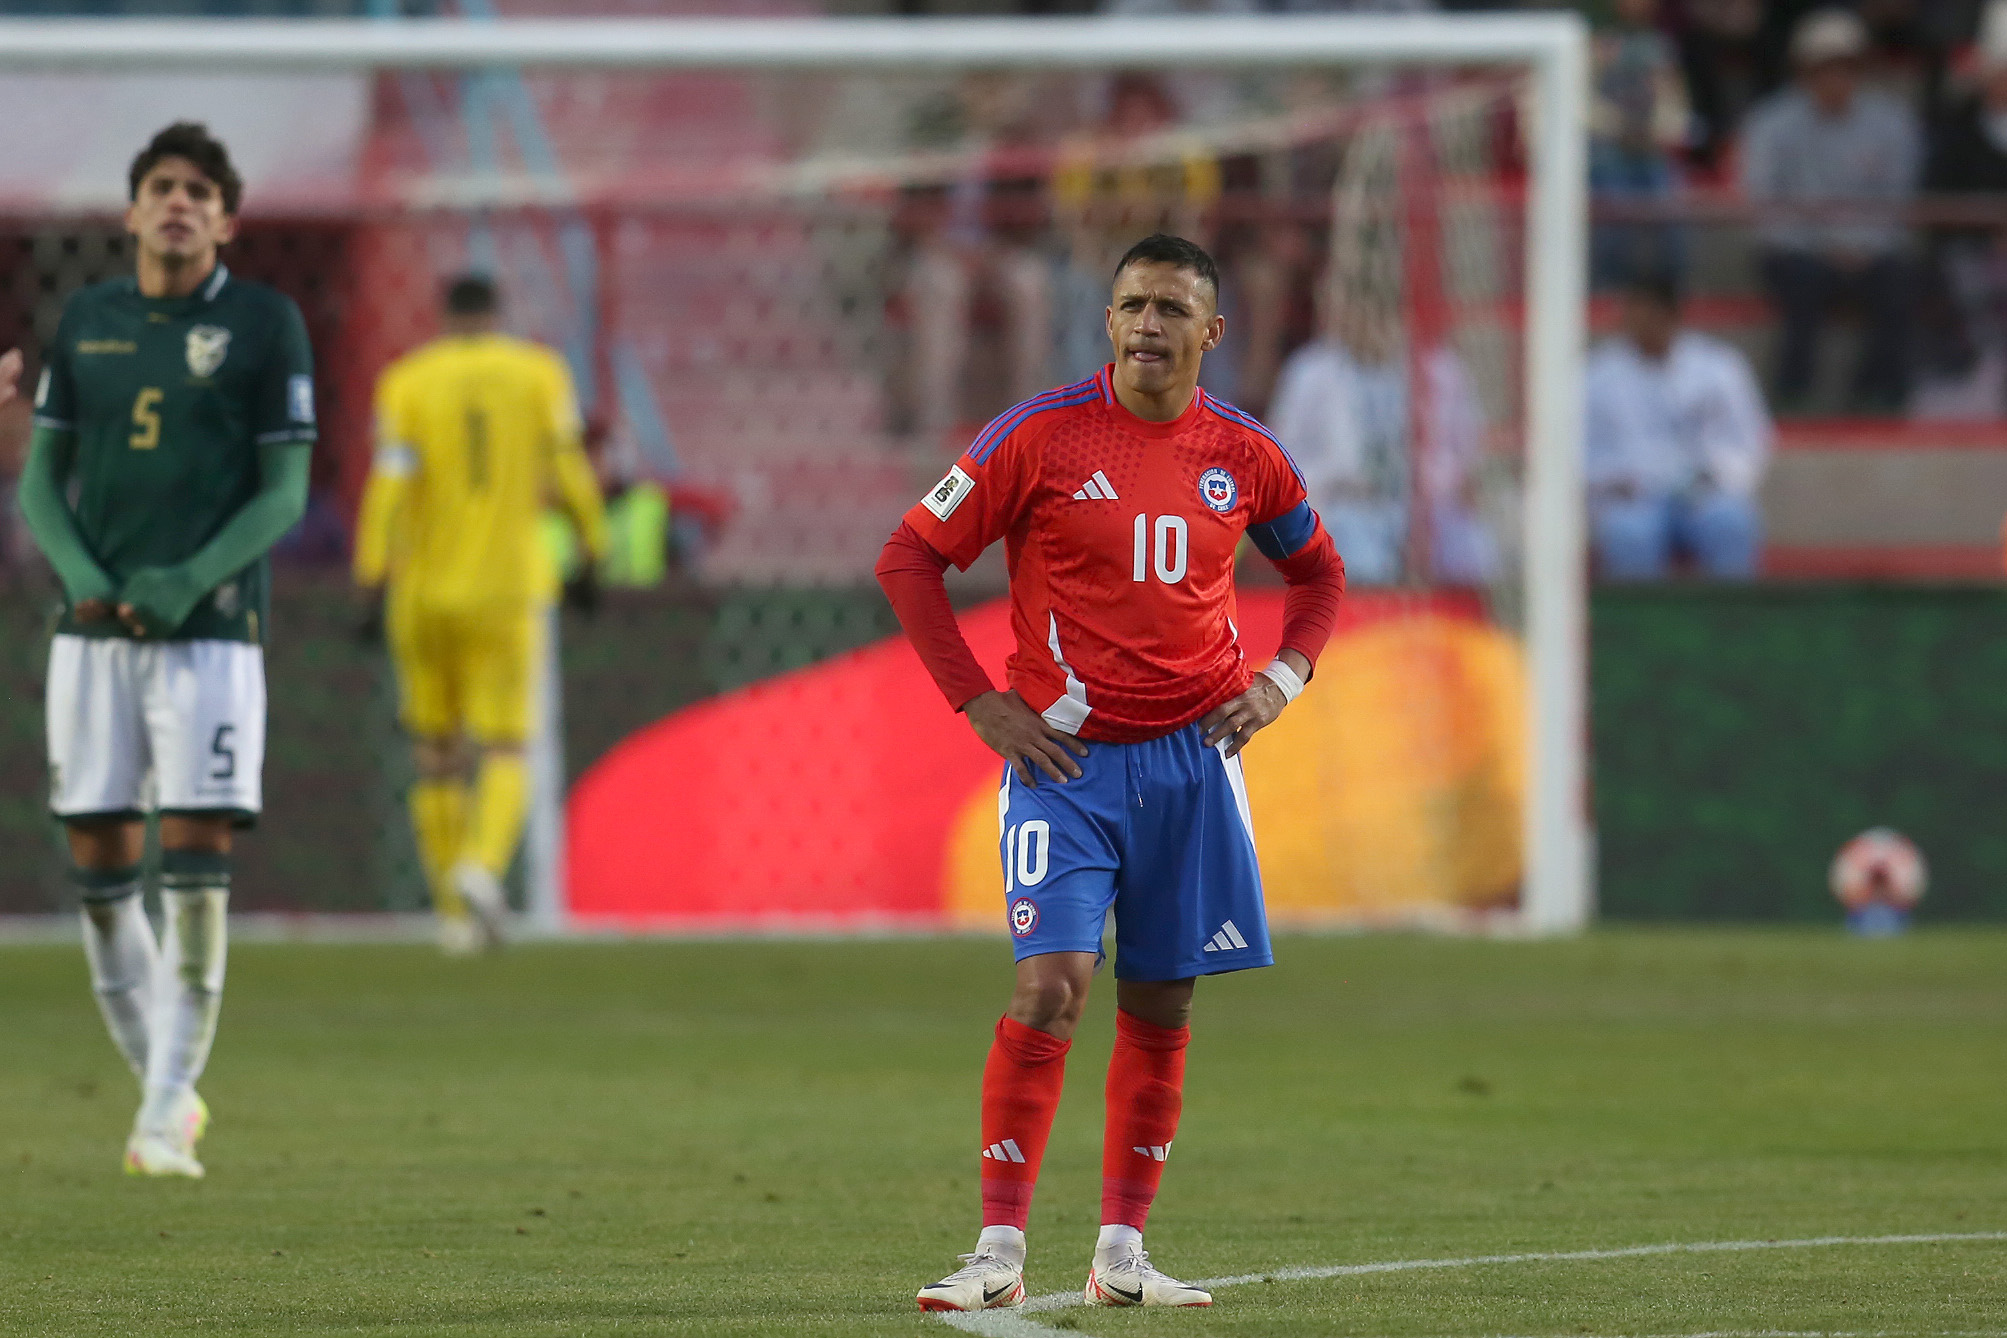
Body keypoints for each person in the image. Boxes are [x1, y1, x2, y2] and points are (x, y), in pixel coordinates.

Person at [875, 234, 1346, 1313]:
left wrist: (1281, 681)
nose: (1147, 325)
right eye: (1132, 304)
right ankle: (997, 1252)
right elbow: (909, 557)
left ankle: (1121, 1255)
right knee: (1049, 987)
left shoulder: (1247, 454)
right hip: (1066, 762)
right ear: (1108, 320)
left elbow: (1318, 574)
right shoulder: (1036, 436)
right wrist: (977, 699)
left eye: (1171, 309)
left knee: (1162, 1003)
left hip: (1194, 764)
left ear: (1211, 331)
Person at [15, 122, 315, 1178]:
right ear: (132, 211)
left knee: (195, 872)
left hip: (212, 639)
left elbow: (285, 492)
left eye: (199, 191)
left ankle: (159, 1119)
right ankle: (169, 1094)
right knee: (101, 880)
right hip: (94, 642)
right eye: (161, 187)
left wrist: (188, 579)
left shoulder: (266, 325)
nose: (178, 202)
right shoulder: (87, 321)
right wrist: (82, 576)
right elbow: (40, 482)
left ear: (226, 221)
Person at [353, 276, 606, 955]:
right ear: (498, 315)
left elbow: (387, 487)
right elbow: (570, 470)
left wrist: (370, 576)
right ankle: (482, 867)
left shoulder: (407, 382)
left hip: (421, 593)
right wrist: (592, 548)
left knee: (435, 755)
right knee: (505, 746)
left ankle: (454, 918)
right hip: (506, 591)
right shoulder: (538, 375)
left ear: (442, 317)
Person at [1740, 7, 1922, 412]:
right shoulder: (1770, 123)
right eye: (1824, 68)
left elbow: (1898, 201)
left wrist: (1860, 245)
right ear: (1803, 71)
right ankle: (1792, 397)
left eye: (1846, 67)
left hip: (1870, 250)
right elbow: (1764, 204)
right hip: (1797, 250)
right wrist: (1822, 245)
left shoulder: (1891, 122)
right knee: (1802, 285)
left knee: (1900, 285)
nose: (1835, 78)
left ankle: (1877, 397)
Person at [1268, 291, 1498, 586]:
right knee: (1363, 556)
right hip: (1345, 505)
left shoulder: (1439, 369)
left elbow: (1469, 451)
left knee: (1476, 549)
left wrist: (1437, 483)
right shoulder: (1311, 372)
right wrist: (1332, 483)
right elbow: (1280, 461)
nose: (1368, 326)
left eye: (1379, 317)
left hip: (1426, 505)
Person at [1584, 271, 1772, 579]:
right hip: (1631, 497)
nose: (1641, 326)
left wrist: (1719, 474)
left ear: (1671, 315)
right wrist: (1606, 480)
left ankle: (1732, 610)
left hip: (1703, 492)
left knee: (1731, 522)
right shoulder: (1595, 376)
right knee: (1628, 533)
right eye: (1633, 317)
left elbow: (1749, 440)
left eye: (1650, 317)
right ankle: (1640, 612)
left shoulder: (1719, 368)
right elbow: (1576, 447)